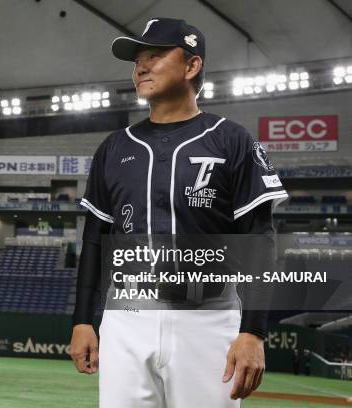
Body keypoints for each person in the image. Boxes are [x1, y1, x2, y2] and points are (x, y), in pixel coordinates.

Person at [70, 18, 288, 407]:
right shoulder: (115, 147)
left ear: (192, 66)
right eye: (137, 59)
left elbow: (259, 238)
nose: (141, 66)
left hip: (208, 319)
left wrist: (253, 331)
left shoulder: (230, 139)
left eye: (154, 55)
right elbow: (94, 240)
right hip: (126, 317)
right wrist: (83, 319)